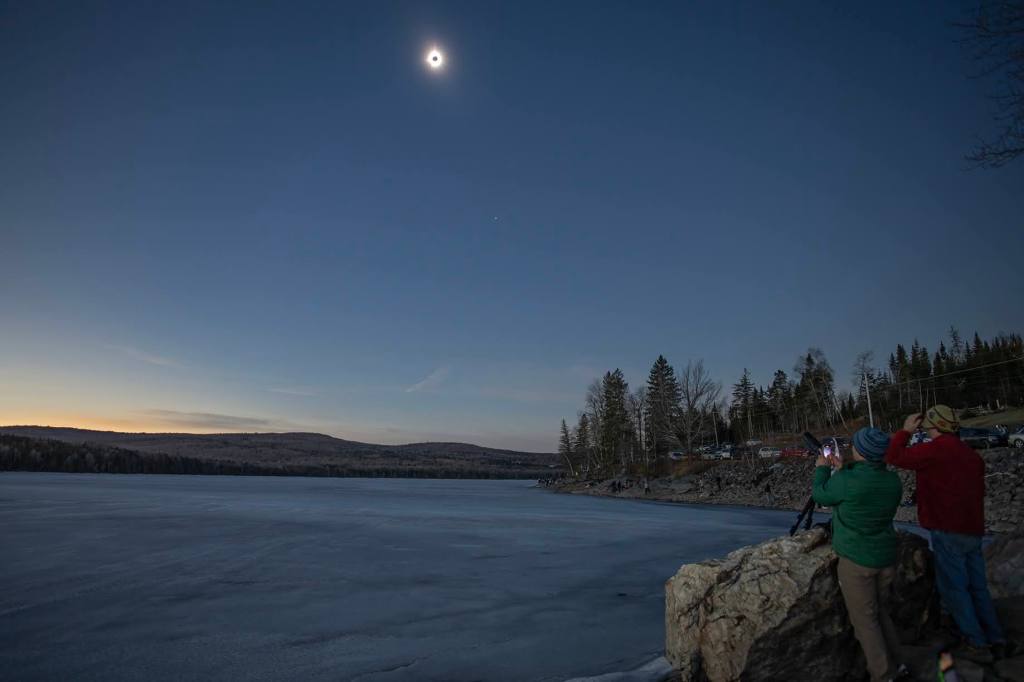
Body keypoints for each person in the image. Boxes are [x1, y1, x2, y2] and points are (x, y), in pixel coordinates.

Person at [886, 406, 1005, 663]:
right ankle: (996, 637)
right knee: (978, 587)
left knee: (955, 588)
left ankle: (975, 641)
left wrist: (905, 431)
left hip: (947, 528)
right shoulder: (972, 456)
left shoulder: (934, 452)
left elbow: (894, 456)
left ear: (934, 426)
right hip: (973, 528)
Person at [813, 427, 905, 682]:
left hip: (857, 560)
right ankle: (899, 662)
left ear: (861, 451)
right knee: (881, 612)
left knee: (865, 622)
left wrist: (822, 468)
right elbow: (863, 490)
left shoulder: (846, 481)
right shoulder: (892, 481)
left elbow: (821, 495)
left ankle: (884, 674)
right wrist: (843, 469)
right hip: (885, 555)